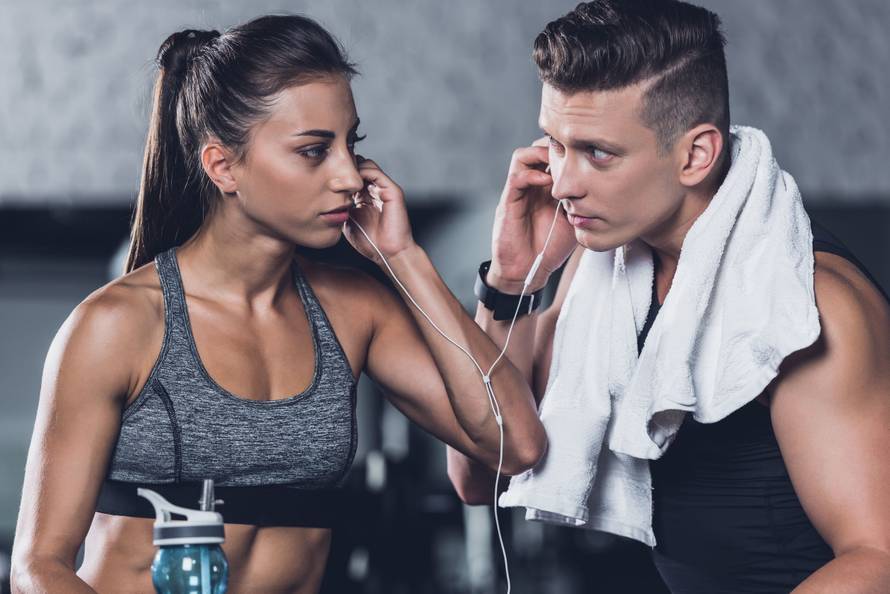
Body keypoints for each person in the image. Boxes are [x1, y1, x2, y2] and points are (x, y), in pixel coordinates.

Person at [10, 15, 546, 594]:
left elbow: (514, 445)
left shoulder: (354, 310)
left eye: (350, 145)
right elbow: (38, 568)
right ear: (223, 166)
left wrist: (404, 257)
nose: (349, 176)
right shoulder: (120, 323)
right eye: (314, 151)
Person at [448, 1, 890, 592]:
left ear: (695, 155)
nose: (561, 182)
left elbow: (876, 558)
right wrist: (509, 282)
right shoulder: (603, 266)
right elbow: (483, 472)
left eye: (596, 153)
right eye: (554, 143)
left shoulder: (805, 306)